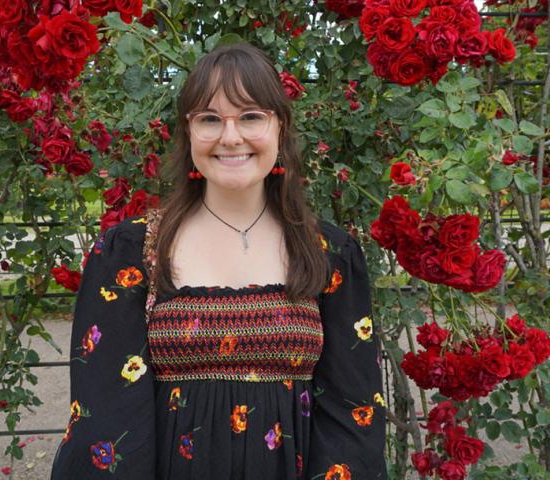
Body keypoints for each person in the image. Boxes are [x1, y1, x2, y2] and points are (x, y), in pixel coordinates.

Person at [51, 42, 386, 480]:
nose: (231, 137)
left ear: (280, 128)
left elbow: (352, 412)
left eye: (250, 117)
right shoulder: (129, 253)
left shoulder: (330, 253)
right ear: (188, 131)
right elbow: (107, 417)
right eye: (210, 119)